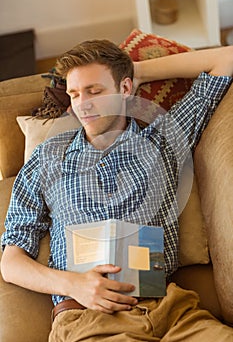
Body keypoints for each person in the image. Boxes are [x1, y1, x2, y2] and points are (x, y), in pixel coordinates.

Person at [1, 39, 233, 341]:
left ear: (125, 89)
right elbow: (11, 262)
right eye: (74, 94)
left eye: (95, 91)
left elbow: (226, 58)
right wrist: (72, 284)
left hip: (172, 311)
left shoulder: (163, 140)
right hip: (89, 318)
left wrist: (137, 72)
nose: (82, 104)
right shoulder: (48, 157)